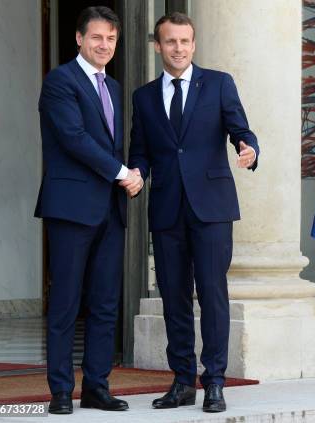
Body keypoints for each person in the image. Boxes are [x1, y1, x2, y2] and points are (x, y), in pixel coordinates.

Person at [126, 12, 259, 413]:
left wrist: (249, 149)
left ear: (194, 44)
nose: (178, 49)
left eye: (185, 41)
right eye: (170, 42)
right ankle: (183, 381)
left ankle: (214, 380)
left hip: (212, 210)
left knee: (213, 295)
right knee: (174, 299)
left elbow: (242, 129)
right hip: (167, 211)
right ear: (157, 46)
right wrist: (136, 173)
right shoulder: (144, 97)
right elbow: (141, 152)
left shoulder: (218, 83)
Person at [34, 6, 143, 414]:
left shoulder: (113, 88)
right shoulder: (59, 82)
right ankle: (61, 391)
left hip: (110, 211)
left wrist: (132, 174)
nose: (104, 45)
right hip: (71, 209)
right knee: (64, 301)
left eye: (111, 39)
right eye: (97, 37)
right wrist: (122, 173)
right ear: (79, 39)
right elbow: (74, 138)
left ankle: (96, 386)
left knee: (105, 303)